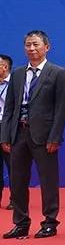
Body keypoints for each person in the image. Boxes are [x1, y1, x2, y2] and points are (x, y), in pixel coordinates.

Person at [0, 31, 65, 238]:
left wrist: (55, 137)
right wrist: (5, 136)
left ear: (47, 47)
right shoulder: (17, 74)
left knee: (48, 181)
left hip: (44, 136)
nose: (31, 49)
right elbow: (9, 108)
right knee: (17, 181)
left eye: (36, 44)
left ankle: (50, 222)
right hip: (18, 134)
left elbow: (61, 109)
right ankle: (21, 223)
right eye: (28, 45)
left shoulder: (58, 73)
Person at [0, 54, 11, 210]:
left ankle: (16, 199)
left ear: (5, 66)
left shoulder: (16, 83)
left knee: (13, 165)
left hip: (8, 126)